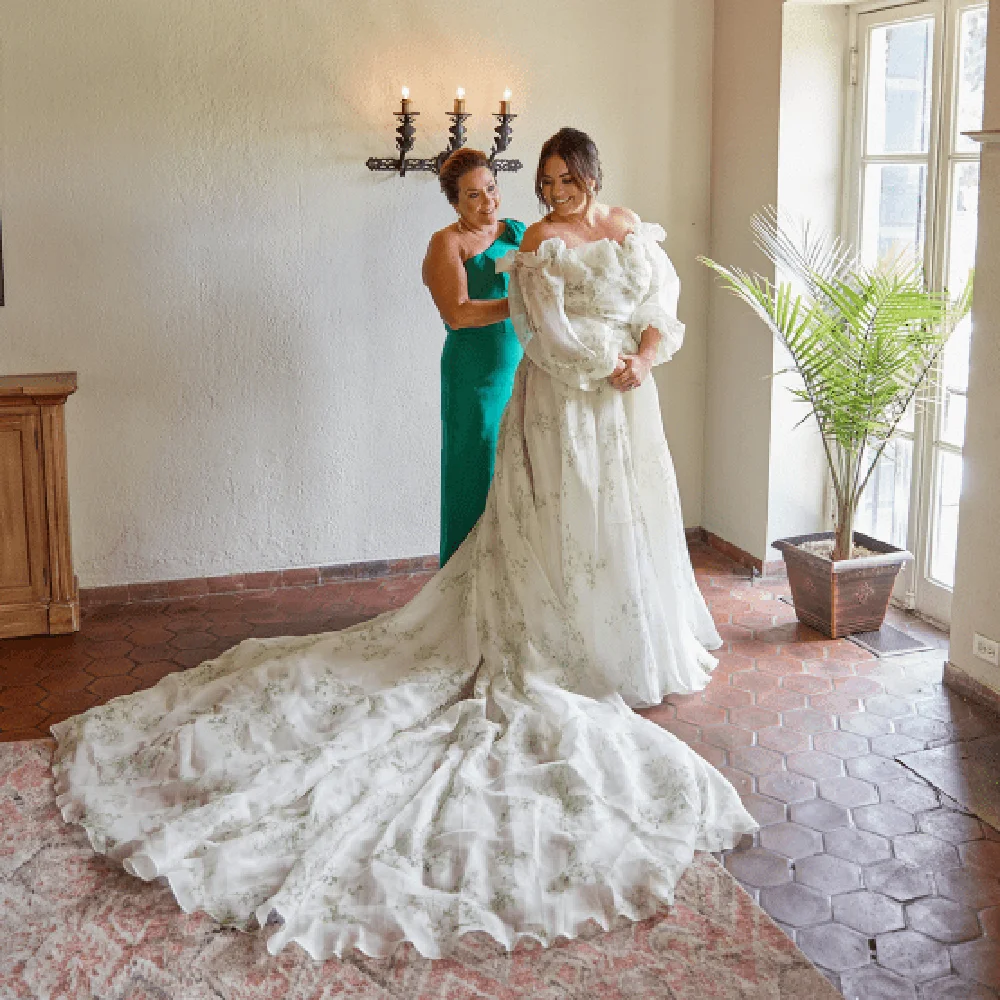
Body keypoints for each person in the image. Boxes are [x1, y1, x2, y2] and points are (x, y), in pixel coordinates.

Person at [51, 128, 756, 963]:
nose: (545, 191)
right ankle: (509, 594)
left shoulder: (603, 229)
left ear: (591, 176)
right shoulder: (506, 245)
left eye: (560, 179)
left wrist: (641, 352)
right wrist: (594, 347)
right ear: (464, 201)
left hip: (617, 400)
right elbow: (503, 320)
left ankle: (613, 623)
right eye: (539, 181)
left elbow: (657, 302)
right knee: (502, 495)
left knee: (614, 520)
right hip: (538, 381)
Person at [422, 149, 524, 565]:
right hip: (473, 378)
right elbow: (458, 313)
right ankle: (462, 582)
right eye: (473, 196)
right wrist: (520, 304)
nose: (487, 203)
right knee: (474, 471)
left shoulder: (518, 232)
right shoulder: (447, 243)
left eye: (491, 189)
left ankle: (508, 578)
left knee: (518, 471)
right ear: (454, 203)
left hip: (522, 366)